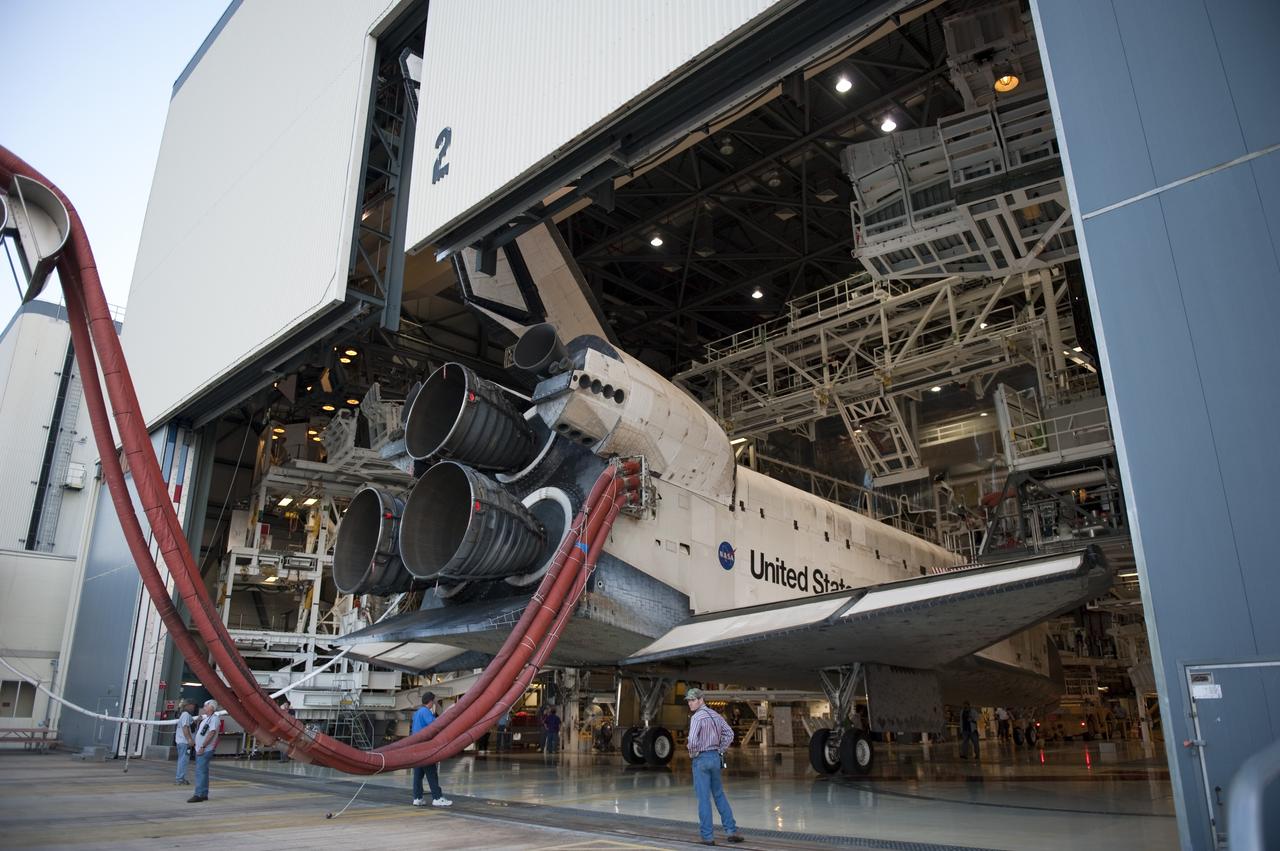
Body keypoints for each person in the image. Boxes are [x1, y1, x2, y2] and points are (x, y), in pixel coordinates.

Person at [684, 688, 744, 846]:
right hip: (715, 758)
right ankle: (731, 830)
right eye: (689, 700)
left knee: (703, 798)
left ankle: (707, 836)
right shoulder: (716, 716)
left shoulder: (697, 717)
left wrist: (693, 753)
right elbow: (729, 733)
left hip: (701, 759)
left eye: (693, 700)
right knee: (719, 794)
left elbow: (692, 740)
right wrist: (721, 749)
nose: (690, 703)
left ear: (701, 700)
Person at [411, 692, 452, 808]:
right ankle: (437, 798)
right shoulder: (425, 712)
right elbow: (435, 725)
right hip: (425, 747)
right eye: (433, 701)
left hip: (416, 746)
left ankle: (417, 798)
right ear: (430, 701)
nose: (433, 703)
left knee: (418, 774)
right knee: (431, 772)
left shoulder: (418, 712)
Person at [188, 700, 222, 803]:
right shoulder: (207, 719)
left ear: (211, 707)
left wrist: (203, 746)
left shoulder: (214, 719)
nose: (204, 708)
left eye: (206, 706)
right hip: (202, 748)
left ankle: (198, 794)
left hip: (205, 749)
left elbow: (211, 733)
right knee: (203, 771)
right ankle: (203, 793)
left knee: (200, 772)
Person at [174, 700, 196, 785]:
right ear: (188, 705)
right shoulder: (186, 715)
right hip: (185, 742)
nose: (193, 708)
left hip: (182, 742)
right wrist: (190, 740)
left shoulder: (185, 715)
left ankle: (180, 777)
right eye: (192, 706)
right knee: (184, 760)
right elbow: (185, 728)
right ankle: (180, 778)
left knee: (182, 759)